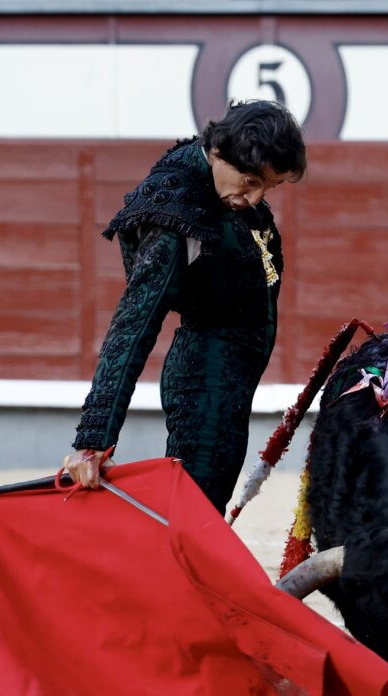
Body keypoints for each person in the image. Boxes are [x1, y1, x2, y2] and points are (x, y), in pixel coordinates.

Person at [62, 99, 307, 514]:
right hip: (205, 377)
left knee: (200, 508)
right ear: (216, 153)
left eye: (269, 187)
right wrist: (94, 438)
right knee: (194, 512)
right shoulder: (174, 218)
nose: (255, 197)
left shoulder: (217, 177)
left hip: (226, 377)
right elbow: (134, 323)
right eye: (249, 182)